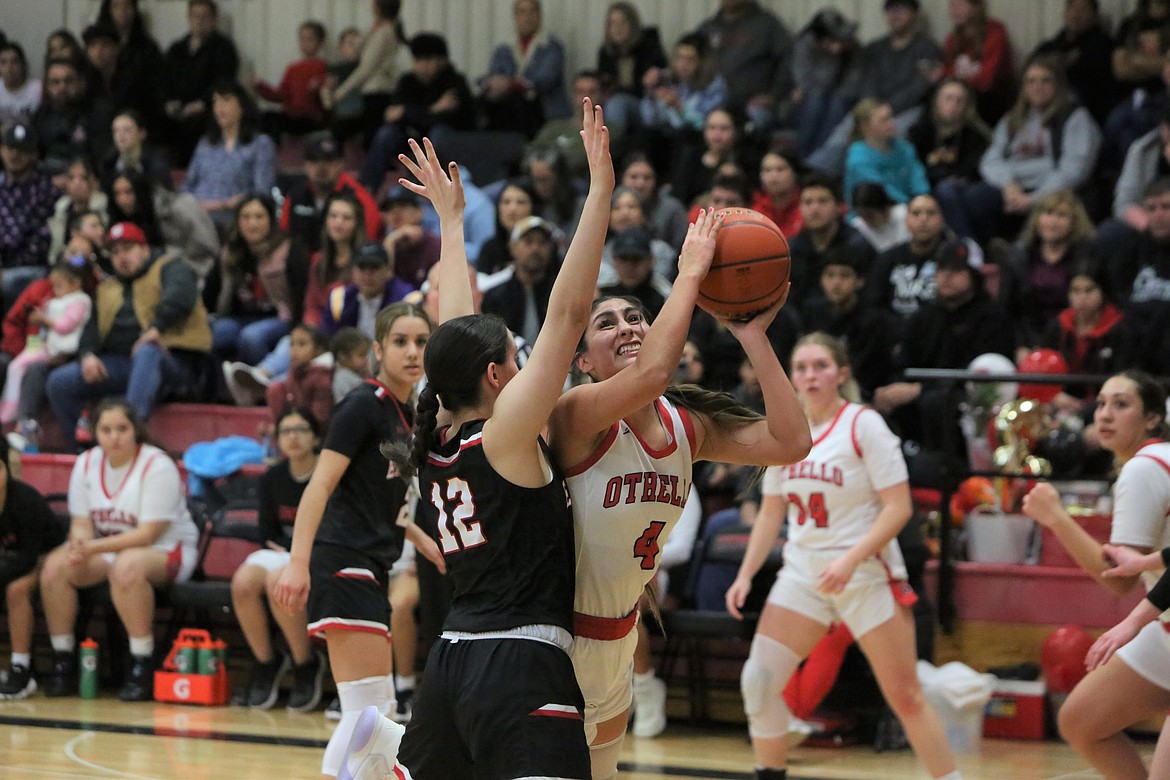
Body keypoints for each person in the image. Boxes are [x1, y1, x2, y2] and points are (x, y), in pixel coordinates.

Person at [383, 98, 611, 780]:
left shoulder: (442, 425)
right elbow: (571, 314)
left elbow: (456, 326)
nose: (528, 362)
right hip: (518, 662)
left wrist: (451, 224)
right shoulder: (505, 435)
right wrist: (599, 190)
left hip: (450, 659)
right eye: (518, 355)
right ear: (494, 375)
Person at [726, 332, 959, 780]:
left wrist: (850, 559)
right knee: (758, 681)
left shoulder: (863, 424)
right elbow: (772, 510)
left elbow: (899, 508)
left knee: (906, 696)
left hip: (866, 574)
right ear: (791, 377)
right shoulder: (785, 430)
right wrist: (746, 574)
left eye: (820, 366)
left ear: (841, 373)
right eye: (802, 367)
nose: (810, 376)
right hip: (803, 575)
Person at [271, 300, 435, 779]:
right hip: (341, 559)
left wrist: (426, 543)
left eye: (422, 342)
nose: (412, 352)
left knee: (373, 712)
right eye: (401, 342)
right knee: (370, 710)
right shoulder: (363, 404)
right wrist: (298, 563)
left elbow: (386, 502)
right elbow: (320, 485)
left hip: (370, 563)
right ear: (377, 349)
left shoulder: (410, 414)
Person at [1021, 370, 1170, 780]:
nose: (1105, 414)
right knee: (1082, 720)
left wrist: (1056, 519)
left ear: (1153, 418)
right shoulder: (1153, 462)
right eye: (1101, 404)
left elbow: (1119, 579)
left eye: (1121, 405)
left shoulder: (1143, 469)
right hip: (1165, 625)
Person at [40, 398, 200, 701]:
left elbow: (149, 533)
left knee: (127, 567)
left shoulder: (157, 465)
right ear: (95, 432)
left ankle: (141, 661)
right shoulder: (86, 463)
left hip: (166, 549)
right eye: (106, 429)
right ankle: (63, 659)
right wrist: (78, 543)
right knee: (54, 567)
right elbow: (81, 522)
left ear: (135, 430)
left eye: (122, 429)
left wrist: (92, 546)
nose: (114, 437)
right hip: (110, 549)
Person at [45, 222, 211, 450]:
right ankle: (82, 451)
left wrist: (156, 328)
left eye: (128, 249)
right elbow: (90, 330)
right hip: (123, 364)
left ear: (144, 249)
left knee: (147, 351)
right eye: (115, 252)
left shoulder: (170, 267)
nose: (122, 257)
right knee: (59, 382)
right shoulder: (107, 289)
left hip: (174, 361)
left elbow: (179, 297)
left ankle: (131, 435)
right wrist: (87, 355)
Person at [936, 55, 1102, 244]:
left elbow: (1075, 170)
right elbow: (990, 160)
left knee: (1045, 213)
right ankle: (974, 252)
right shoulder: (1013, 119)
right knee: (973, 198)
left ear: (1058, 85)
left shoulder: (1075, 118)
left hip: (1052, 191)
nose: (1037, 86)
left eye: (1045, 80)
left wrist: (1034, 199)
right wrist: (1008, 185)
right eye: (1031, 81)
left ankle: (1016, 256)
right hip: (1012, 190)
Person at [232, 407, 324, 711]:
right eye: (285, 431)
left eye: (300, 429)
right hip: (280, 550)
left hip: (318, 552)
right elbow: (266, 532)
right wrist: (285, 549)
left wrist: (294, 552)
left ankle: (305, 663)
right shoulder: (272, 478)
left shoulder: (327, 473)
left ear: (315, 437)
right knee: (243, 582)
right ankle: (267, 661)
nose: (293, 437)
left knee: (278, 581)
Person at [357, 32, 476, 195]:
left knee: (439, 134)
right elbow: (392, 115)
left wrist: (409, 113)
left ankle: (442, 189)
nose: (421, 65)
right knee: (386, 135)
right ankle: (365, 190)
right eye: (417, 60)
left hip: (445, 139)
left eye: (427, 60)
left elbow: (453, 119)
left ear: (442, 60)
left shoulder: (455, 81)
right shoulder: (407, 81)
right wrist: (433, 110)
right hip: (411, 136)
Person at [0, 434, 67, 699]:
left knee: (16, 590)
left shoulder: (25, 501)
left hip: (48, 556)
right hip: (8, 560)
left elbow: (28, 557)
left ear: (6, 469)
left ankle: (21, 668)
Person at [205, 194, 308, 366]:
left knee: (252, 337)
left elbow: (301, 294)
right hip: (240, 316)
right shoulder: (229, 252)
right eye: (246, 217)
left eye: (259, 217)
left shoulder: (289, 249)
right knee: (214, 333)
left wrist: (298, 328)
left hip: (281, 317)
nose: (252, 224)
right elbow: (210, 293)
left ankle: (258, 387)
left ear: (270, 220)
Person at [1, 259, 91, 426]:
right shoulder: (44, 293)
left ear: (76, 283)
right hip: (39, 345)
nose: (55, 290)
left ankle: (22, 419)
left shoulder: (81, 300)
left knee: (31, 370)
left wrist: (45, 321)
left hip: (67, 353)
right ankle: (11, 409)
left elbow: (66, 326)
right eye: (53, 284)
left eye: (59, 285)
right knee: (10, 364)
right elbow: (13, 321)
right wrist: (18, 348)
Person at [181, 81, 276, 229]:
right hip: (199, 220)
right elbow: (188, 185)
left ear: (242, 107)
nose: (219, 108)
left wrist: (224, 205)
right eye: (215, 102)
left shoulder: (260, 144)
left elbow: (262, 192)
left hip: (235, 221)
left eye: (226, 101)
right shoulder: (205, 143)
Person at [160, 0, 240, 166]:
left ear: (214, 19)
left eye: (205, 16)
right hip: (178, 108)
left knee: (196, 125)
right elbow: (164, 79)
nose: (199, 21)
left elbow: (224, 81)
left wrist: (202, 102)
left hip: (207, 109)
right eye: (195, 16)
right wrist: (168, 100)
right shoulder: (177, 48)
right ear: (189, 18)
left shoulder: (224, 48)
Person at [695, 0, 793, 132]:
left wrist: (774, 95)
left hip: (752, 106)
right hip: (712, 104)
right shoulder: (708, 28)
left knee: (750, 124)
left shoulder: (767, 25)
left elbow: (789, 60)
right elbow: (690, 60)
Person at [478, 0, 572, 137]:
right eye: (522, 12)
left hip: (545, 112)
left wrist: (511, 84)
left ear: (539, 15)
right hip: (512, 112)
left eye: (532, 12)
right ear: (515, 17)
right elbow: (493, 75)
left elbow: (545, 80)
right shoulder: (504, 48)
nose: (527, 17)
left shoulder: (552, 46)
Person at [279, 132, 381, 253]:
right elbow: (283, 240)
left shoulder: (359, 198)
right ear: (305, 165)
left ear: (341, 163)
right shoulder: (295, 196)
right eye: (314, 160)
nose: (321, 167)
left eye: (328, 160)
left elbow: (368, 242)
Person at [323, 0, 405, 145]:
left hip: (377, 91)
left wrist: (342, 91)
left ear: (377, 9)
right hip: (374, 92)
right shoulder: (383, 31)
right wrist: (371, 28)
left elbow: (366, 67)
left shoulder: (384, 34)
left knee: (372, 137)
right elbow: (357, 49)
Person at [0, 121, 60, 311]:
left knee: (9, 283)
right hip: (3, 266)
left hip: (36, 267)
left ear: (33, 154)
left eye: (22, 150)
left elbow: (42, 237)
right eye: (10, 148)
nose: (15, 155)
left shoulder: (47, 189)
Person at [1031, 0, 1120, 125]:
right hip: (1040, 110)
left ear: (1094, 16)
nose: (1076, 14)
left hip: (1083, 114)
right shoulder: (1049, 47)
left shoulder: (1104, 46)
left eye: (1082, 10)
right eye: (1071, 8)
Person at [843, 99, 930, 211]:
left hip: (909, 207)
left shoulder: (904, 147)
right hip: (873, 213)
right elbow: (880, 190)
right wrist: (910, 206)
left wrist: (922, 197)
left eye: (891, 117)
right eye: (883, 120)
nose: (891, 123)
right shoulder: (858, 158)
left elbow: (917, 175)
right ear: (866, 126)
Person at [937, 0, 1015, 124]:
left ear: (976, 7)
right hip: (961, 93)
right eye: (952, 6)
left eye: (960, 6)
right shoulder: (953, 39)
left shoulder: (995, 32)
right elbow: (947, 75)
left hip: (990, 99)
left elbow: (987, 80)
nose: (954, 11)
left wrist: (948, 75)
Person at [907, 78, 991, 189]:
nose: (953, 105)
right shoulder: (919, 132)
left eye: (960, 100)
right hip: (924, 188)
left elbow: (974, 171)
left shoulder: (976, 136)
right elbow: (911, 167)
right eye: (948, 98)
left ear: (967, 106)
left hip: (963, 190)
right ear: (936, 100)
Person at [595, 1, 666, 129]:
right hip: (616, 102)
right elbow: (604, 82)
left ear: (633, 25)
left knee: (616, 103)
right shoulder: (606, 52)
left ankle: (612, 146)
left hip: (646, 104)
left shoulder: (648, 46)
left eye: (622, 23)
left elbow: (660, 78)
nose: (617, 28)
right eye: (612, 24)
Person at [253, 20, 330, 138]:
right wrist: (260, 86)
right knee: (265, 117)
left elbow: (328, 97)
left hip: (311, 118)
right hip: (291, 116)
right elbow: (280, 95)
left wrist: (318, 88)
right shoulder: (292, 69)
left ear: (320, 42)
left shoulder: (324, 67)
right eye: (302, 39)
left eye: (310, 39)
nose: (305, 43)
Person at [620, 153, 689, 251]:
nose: (640, 184)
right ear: (622, 178)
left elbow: (681, 247)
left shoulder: (672, 209)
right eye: (634, 177)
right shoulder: (609, 206)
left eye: (647, 178)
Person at [100, 109, 171, 192]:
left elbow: (162, 191)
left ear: (142, 133)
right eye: (116, 131)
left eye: (127, 130)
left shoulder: (156, 160)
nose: (120, 136)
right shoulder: (109, 162)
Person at [751, 148, 804, 240]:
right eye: (767, 170)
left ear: (795, 173)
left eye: (780, 169)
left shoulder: (807, 205)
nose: (773, 176)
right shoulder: (754, 212)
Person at [0, 41, 41, 126]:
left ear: (22, 64)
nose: (9, 68)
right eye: (3, 62)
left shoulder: (37, 88)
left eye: (14, 61)